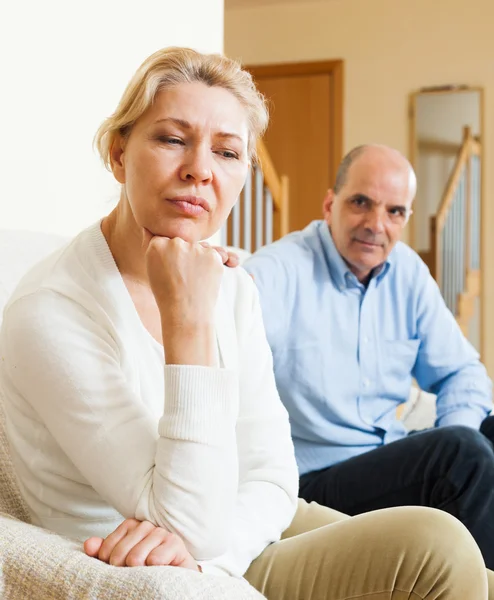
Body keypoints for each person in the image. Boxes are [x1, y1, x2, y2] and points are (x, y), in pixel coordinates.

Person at [0, 48, 491, 599]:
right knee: (440, 549)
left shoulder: (229, 282)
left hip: (227, 535)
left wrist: (217, 556)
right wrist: (187, 321)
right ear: (118, 154)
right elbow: (186, 521)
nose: (200, 170)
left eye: (227, 152)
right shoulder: (51, 313)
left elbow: (274, 473)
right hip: (141, 557)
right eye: (171, 139)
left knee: (472, 566)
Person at [244, 143, 494, 569]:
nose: (376, 225)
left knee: (476, 439)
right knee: (460, 456)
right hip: (315, 479)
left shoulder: (408, 272)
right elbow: (216, 343)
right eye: (361, 203)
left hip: (388, 457)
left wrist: (462, 435)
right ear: (330, 204)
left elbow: (461, 372)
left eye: (395, 211)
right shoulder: (278, 272)